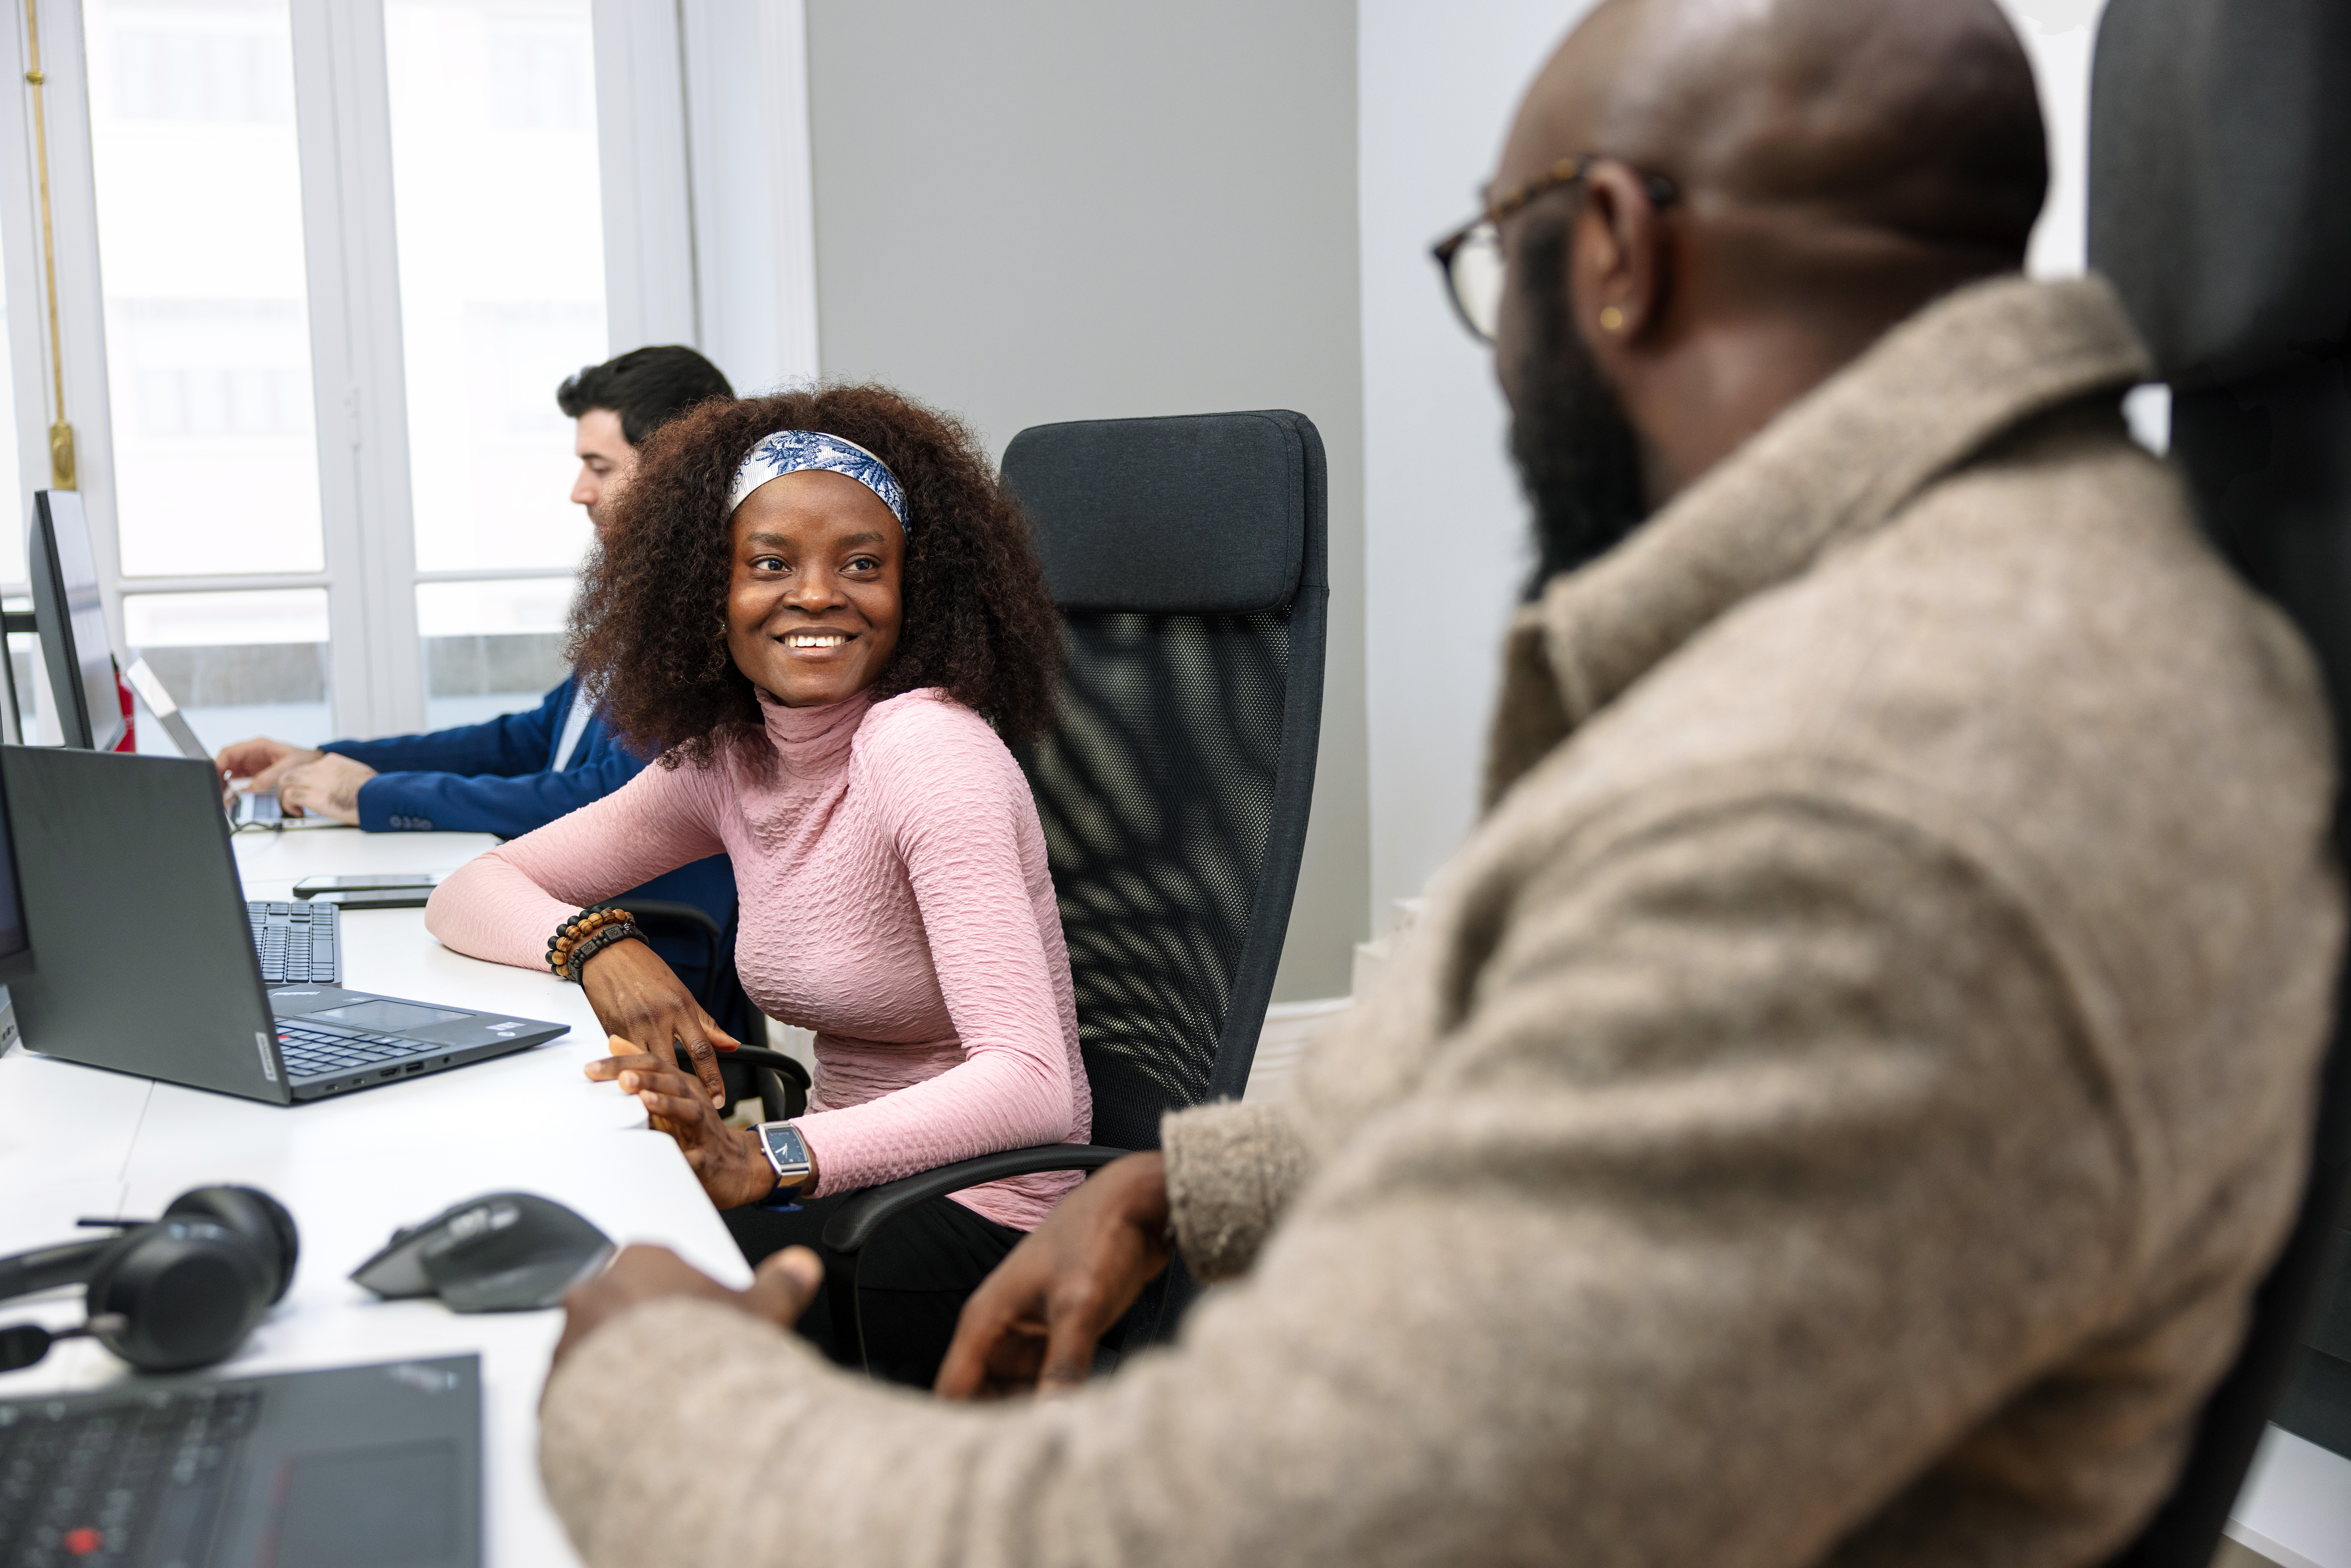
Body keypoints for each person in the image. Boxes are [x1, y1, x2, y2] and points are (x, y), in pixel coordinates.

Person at [531, 1, 2344, 1563]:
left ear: (1611, 247)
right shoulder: (1932, 601)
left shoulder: (1871, 782)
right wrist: (1201, 1178)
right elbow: (1591, 1064)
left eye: (1498, 273)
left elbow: (1279, 1521)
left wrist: (655, 1392)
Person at [424, 387, 1086, 1387]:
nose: (817, 595)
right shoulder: (735, 755)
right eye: (770, 563)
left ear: (917, 589)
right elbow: (475, 887)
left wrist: (768, 1154)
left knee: (619, 1346)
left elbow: (1035, 1087)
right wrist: (599, 946)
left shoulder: (925, 748)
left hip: (977, 1224)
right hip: (851, 1184)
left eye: (862, 565)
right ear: (709, 589)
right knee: (577, 1275)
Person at [216, 346, 742, 1005]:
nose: (578, 490)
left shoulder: (714, 619)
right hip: (564, 918)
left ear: (675, 470)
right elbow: (526, 739)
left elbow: (605, 800)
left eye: (598, 466)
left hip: (646, 950)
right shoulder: (644, 594)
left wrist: (371, 796)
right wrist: (336, 759)